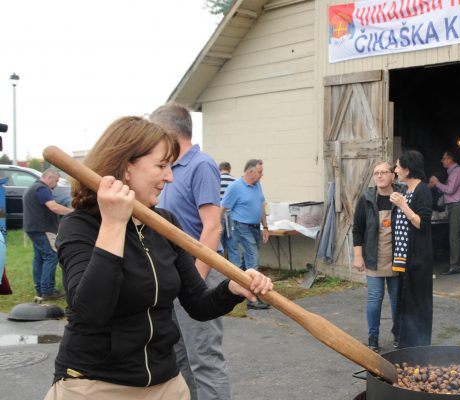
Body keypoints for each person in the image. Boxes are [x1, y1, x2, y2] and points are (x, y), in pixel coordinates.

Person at [44, 116, 272, 400]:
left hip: (166, 384)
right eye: (162, 166)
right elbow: (90, 313)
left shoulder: (164, 223)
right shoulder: (80, 226)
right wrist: (114, 225)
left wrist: (232, 288)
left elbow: (198, 304)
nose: (170, 177)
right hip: (96, 385)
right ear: (127, 167)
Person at [150, 103, 229, 400]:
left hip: (198, 274)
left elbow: (212, 227)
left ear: (167, 132)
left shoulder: (201, 164)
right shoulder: (167, 169)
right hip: (173, 274)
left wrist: (194, 283)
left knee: (205, 361)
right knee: (178, 359)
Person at [352, 161, 400, 353]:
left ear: (392, 176)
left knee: (397, 300)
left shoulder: (400, 196)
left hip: (397, 259)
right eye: (376, 173)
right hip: (373, 258)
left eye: (383, 172)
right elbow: (358, 229)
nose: (379, 176)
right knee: (374, 298)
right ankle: (373, 337)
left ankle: (399, 334)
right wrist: (358, 256)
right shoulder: (367, 198)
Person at [390, 150, 433, 348]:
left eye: (398, 166)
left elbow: (422, 224)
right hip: (404, 257)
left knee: (418, 301)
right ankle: (405, 341)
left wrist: (403, 206)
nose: (395, 170)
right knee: (405, 299)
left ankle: (419, 343)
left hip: (418, 259)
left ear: (408, 169)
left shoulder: (422, 190)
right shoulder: (406, 190)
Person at [221, 159, 271, 310]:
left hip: (255, 227)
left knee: (244, 264)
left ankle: (235, 290)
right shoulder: (235, 187)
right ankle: (253, 300)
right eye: (260, 171)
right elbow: (223, 208)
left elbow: (262, 206)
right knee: (253, 259)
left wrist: (265, 226)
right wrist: (217, 227)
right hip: (240, 227)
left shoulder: (257, 185)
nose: (262, 174)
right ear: (250, 172)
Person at [22, 168, 72, 301]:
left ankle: (40, 289)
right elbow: (54, 207)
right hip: (43, 228)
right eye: (55, 181)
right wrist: (73, 213)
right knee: (51, 256)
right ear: (49, 178)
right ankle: (47, 291)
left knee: (39, 258)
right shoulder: (42, 189)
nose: (55, 185)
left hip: (32, 228)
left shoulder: (32, 187)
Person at [428, 151, 460, 275]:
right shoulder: (453, 172)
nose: (442, 161)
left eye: (444, 158)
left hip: (457, 205)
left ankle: (455, 265)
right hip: (454, 205)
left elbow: (450, 190)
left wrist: (436, 183)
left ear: (450, 159)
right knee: (457, 236)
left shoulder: (457, 171)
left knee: (454, 236)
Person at [218, 162, 236, 262]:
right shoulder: (235, 181)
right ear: (229, 169)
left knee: (218, 244)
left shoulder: (215, 180)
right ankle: (236, 270)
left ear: (219, 169)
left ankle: (220, 271)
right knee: (233, 244)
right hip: (232, 214)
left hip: (218, 214)